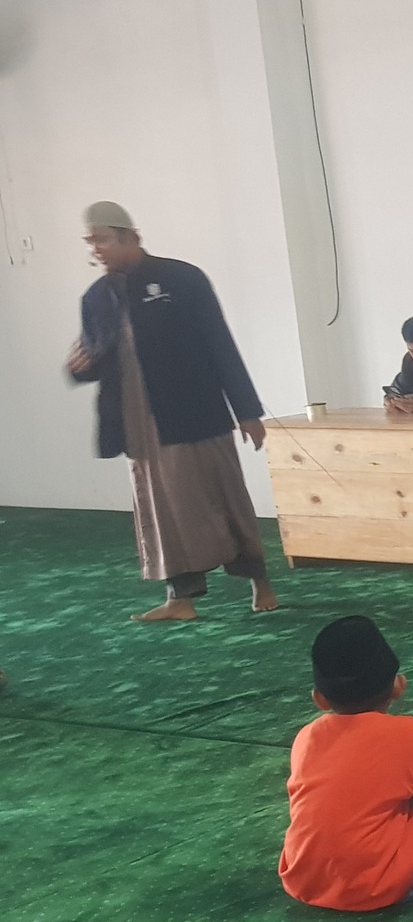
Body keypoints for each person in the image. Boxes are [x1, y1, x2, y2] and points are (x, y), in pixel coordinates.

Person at [67, 201, 277, 623]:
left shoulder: (182, 279)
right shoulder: (96, 298)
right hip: (140, 425)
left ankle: (259, 582)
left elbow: (220, 343)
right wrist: (79, 369)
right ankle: (180, 599)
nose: (96, 249)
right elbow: (96, 357)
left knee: (224, 496)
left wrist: (247, 410)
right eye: (90, 243)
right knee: (162, 511)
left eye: (102, 239)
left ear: (130, 236)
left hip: (196, 413)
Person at [278, 616, 413, 912]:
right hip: (382, 884)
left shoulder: (306, 737)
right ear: (398, 686)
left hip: (304, 880)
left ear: (319, 699)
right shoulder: (407, 734)